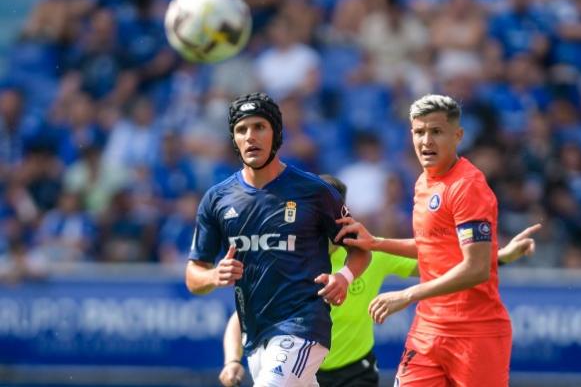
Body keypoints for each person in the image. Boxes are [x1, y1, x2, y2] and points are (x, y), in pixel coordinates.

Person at [219, 174, 540, 387]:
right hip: (300, 371)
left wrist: (502, 257)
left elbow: (441, 263)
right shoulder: (284, 260)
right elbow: (241, 318)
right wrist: (233, 361)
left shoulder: (368, 251)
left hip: (355, 372)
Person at [185, 92, 371, 387]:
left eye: (259, 126)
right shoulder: (216, 199)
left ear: (276, 134)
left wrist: (345, 277)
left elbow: (360, 251)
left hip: (303, 325)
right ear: (234, 139)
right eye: (242, 129)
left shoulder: (314, 191)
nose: (250, 136)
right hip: (256, 338)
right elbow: (193, 276)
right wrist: (213, 275)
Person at [335, 94, 521, 386]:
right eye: (419, 132)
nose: (426, 141)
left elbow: (476, 268)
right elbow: (433, 246)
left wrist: (408, 294)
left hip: (474, 333)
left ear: (457, 135)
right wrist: (376, 242)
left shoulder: (468, 187)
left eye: (436, 132)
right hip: (428, 328)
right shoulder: (424, 182)